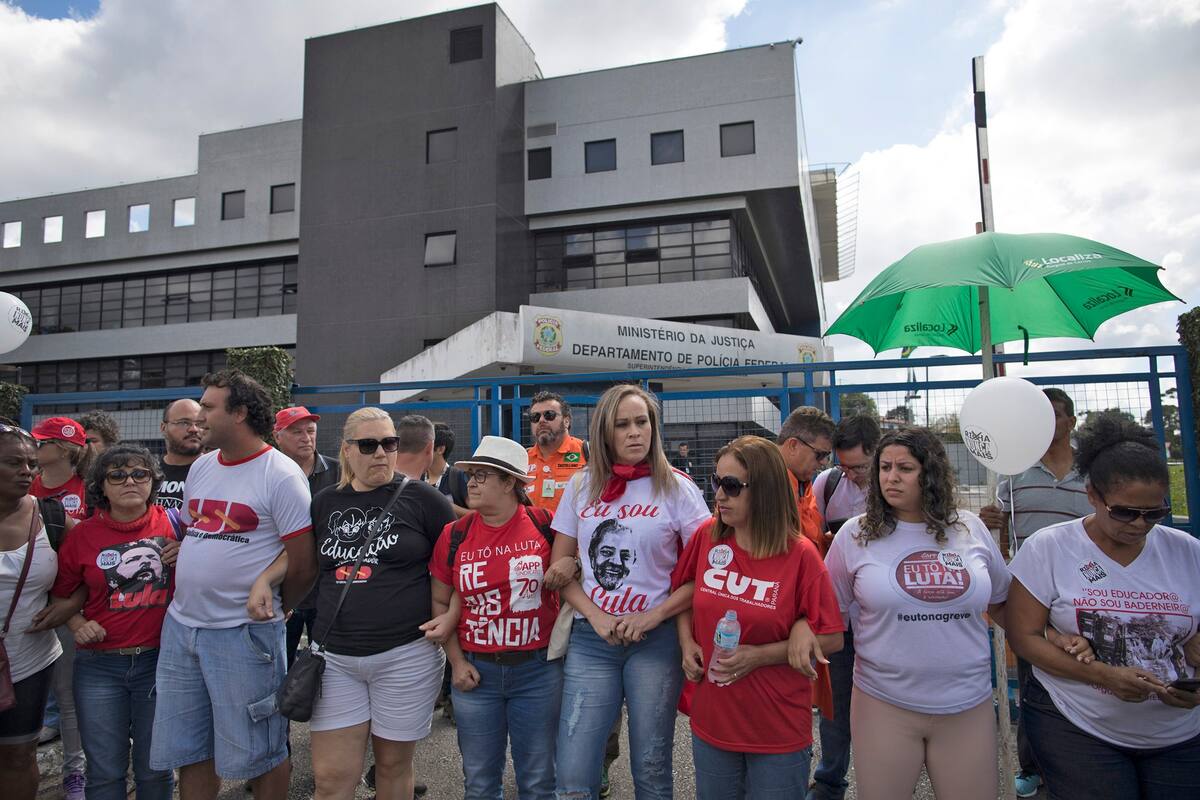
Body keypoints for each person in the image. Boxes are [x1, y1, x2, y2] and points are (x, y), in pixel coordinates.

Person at [1007, 413, 1200, 799]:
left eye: (1155, 513)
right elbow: (1023, 635)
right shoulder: (1050, 547)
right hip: (1077, 724)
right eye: (1125, 512)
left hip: (1180, 732)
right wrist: (1103, 676)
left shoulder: (1188, 553)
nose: (1139, 525)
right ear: (1092, 494)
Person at [149, 370, 317, 800]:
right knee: (191, 750)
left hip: (243, 636)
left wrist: (279, 606)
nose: (198, 416)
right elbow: (193, 533)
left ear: (239, 413)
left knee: (260, 752)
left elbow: (302, 563)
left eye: (208, 407)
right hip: (182, 629)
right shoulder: (203, 466)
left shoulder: (279, 474)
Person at [824, 427, 1010, 800]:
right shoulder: (854, 535)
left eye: (905, 468)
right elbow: (827, 618)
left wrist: (1049, 643)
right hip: (882, 703)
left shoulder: (970, 529)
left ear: (931, 473)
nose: (891, 477)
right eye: (885, 467)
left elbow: (1004, 603)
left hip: (967, 703)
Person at [544, 384, 711, 799]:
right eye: (623, 425)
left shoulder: (679, 489)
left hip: (655, 641)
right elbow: (559, 569)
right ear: (605, 433)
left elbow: (705, 572)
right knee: (573, 769)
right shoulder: (581, 486)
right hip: (591, 638)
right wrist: (598, 617)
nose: (635, 433)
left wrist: (653, 617)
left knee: (651, 767)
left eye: (642, 422)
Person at [670, 435, 843, 797]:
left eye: (731, 486)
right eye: (717, 482)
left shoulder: (801, 555)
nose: (718, 495)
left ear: (764, 490)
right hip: (713, 722)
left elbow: (831, 637)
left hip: (776, 729)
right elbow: (683, 592)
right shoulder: (708, 537)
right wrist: (687, 643)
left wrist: (765, 654)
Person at [307, 409, 454, 800]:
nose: (381, 453)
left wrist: (452, 616)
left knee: (392, 768)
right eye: (369, 445)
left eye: (390, 444)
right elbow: (311, 568)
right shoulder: (323, 503)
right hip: (335, 657)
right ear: (347, 450)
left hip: (405, 655)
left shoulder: (425, 499)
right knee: (332, 779)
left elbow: (456, 564)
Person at [425, 435, 562, 799]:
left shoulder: (545, 525)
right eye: (471, 474)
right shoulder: (454, 535)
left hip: (539, 671)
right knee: (480, 782)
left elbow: (571, 578)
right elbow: (440, 603)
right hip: (476, 673)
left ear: (510, 484)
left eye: (483, 475)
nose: (471, 482)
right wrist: (455, 662)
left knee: (538, 780)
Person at [47, 444, 179, 800]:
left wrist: (188, 551)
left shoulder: (177, 524)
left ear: (153, 481)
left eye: (140, 473)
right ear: (100, 487)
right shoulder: (81, 536)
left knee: (156, 771)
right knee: (104, 773)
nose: (129, 481)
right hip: (98, 666)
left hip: (159, 662)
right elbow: (59, 595)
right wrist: (76, 624)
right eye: (117, 475)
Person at [978, 388, 1092, 797]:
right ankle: (1032, 765)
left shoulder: (1093, 473)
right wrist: (990, 519)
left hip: (1085, 596)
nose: (1047, 422)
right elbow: (1001, 535)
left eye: (1055, 415)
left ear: (1071, 421)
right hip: (1033, 598)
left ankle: (1084, 761)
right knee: (1032, 682)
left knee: (1084, 676)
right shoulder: (1014, 473)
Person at [806, 414, 879, 800]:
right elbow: (809, 539)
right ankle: (830, 780)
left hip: (883, 622)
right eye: (844, 465)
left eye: (860, 467)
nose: (851, 474)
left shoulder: (895, 487)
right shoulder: (828, 483)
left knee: (883, 711)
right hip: (840, 619)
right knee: (834, 710)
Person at [0, 421, 69, 800]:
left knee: (17, 755)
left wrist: (69, 606)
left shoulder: (52, 518)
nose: (26, 472)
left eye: (31, 463)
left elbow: (85, 569)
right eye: (13, 463)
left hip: (28, 661)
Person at [28, 415, 89, 794]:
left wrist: (73, 606)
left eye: (41, 442)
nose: (35, 449)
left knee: (68, 693)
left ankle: (75, 771)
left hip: (69, 606)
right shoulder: (26, 485)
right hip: (28, 602)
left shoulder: (89, 488)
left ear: (63, 448)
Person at [273, 406, 341, 668]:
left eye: (310, 431)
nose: (306, 437)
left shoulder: (339, 472)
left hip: (327, 588)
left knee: (327, 667)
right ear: (277, 436)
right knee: (279, 666)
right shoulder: (268, 473)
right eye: (296, 432)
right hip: (283, 587)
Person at [524, 391, 587, 514]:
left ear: (566, 421)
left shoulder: (588, 453)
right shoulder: (522, 459)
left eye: (549, 415)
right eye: (535, 417)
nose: (541, 420)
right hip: (532, 532)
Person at [31, 416, 92, 521]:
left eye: (39, 443)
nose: (31, 447)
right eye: (30, 442)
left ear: (65, 451)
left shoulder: (89, 490)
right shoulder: (25, 485)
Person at [155, 398, 203, 511]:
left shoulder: (214, 472)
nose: (194, 429)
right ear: (163, 428)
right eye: (184, 423)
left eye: (200, 423)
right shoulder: (146, 474)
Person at [428, 422, 469, 517]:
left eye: (425, 445)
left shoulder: (457, 477)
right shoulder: (417, 476)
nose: (419, 449)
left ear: (440, 449)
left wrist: (446, 505)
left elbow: (478, 515)